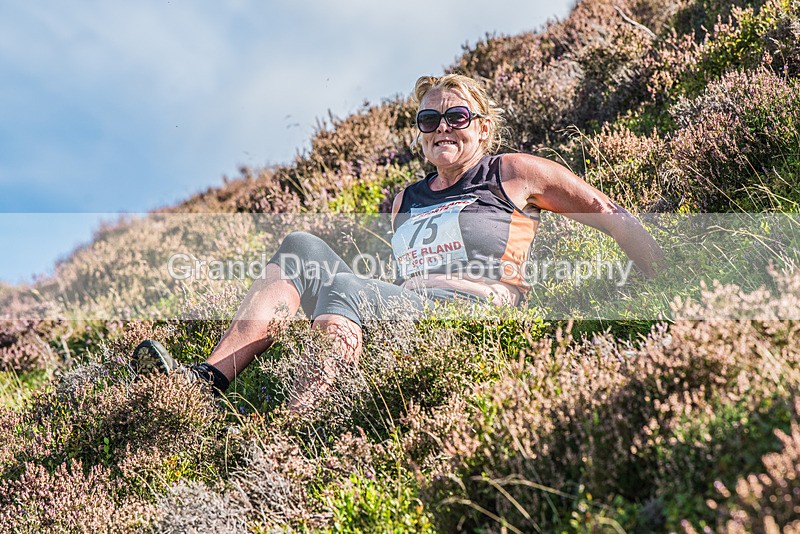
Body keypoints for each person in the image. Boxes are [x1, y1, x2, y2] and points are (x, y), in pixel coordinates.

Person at [132, 74, 664, 409]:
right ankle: (208, 379)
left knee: (346, 287)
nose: (442, 128)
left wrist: (665, 281)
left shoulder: (512, 172)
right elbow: (404, 281)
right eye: (429, 119)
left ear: (482, 129)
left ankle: (310, 417)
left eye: (456, 117)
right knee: (298, 245)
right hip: (410, 313)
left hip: (475, 314)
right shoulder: (404, 199)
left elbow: (608, 214)